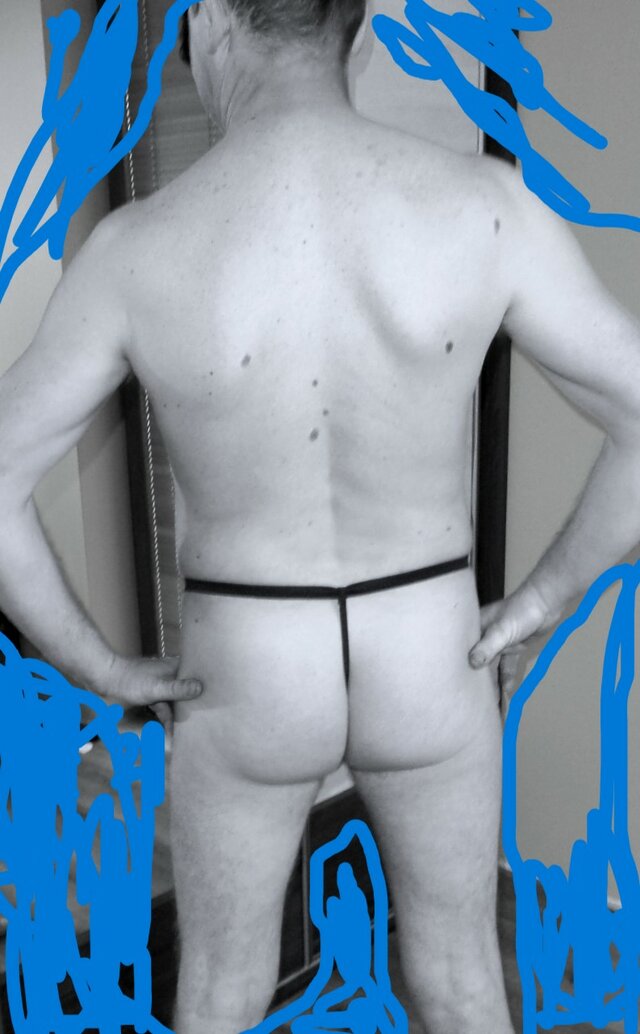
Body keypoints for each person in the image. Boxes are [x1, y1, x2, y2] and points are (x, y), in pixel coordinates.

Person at [1, 1, 640, 1031]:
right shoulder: (487, 209)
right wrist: (542, 601)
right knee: (461, 977)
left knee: (221, 992)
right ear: (360, 35)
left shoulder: (135, 250)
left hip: (252, 662)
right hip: (428, 644)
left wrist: (99, 668)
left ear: (213, 22)